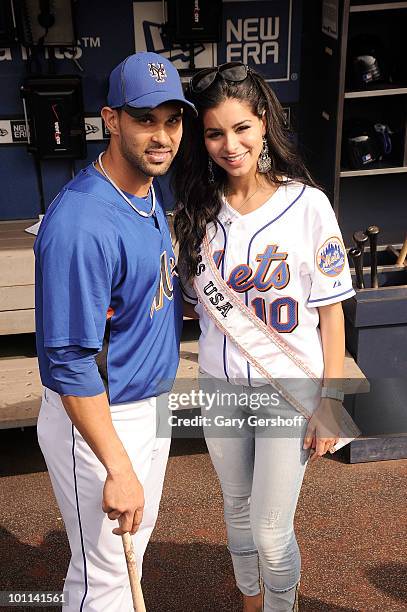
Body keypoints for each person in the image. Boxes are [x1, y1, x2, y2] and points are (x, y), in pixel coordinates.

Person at [174, 62, 357, 612]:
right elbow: (191, 310)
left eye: (241, 128)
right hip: (221, 387)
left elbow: (331, 315)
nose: (229, 145)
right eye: (214, 133)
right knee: (235, 511)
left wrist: (332, 400)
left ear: (263, 123)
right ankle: (250, 603)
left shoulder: (307, 205)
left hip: (289, 390)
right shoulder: (196, 212)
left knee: (272, 530)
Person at [34, 52, 196, 611]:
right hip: (102, 420)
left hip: (146, 405)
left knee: (129, 565)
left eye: (171, 120)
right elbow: (68, 362)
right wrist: (118, 465)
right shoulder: (82, 222)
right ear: (111, 119)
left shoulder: (145, 191)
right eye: (144, 118)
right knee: (103, 580)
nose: (161, 135)